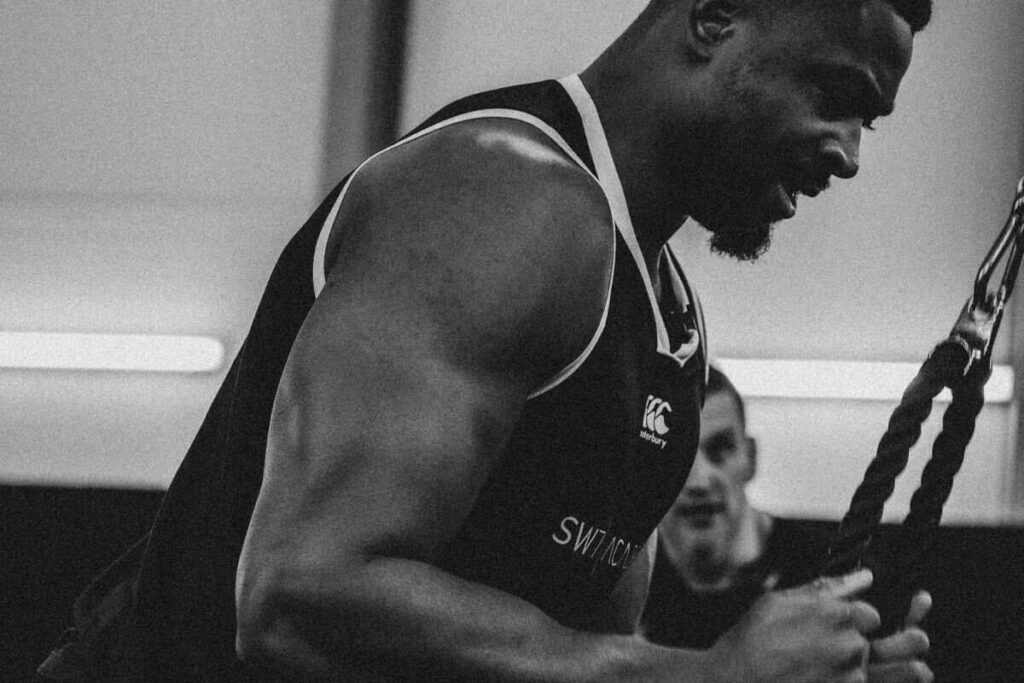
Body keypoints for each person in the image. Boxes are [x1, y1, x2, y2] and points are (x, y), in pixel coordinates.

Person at [39, 1, 936, 681]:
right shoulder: (507, 198)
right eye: (835, 95)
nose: (849, 152)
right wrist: (705, 676)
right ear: (713, 21)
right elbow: (300, 594)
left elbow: (584, 659)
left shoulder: (671, 325)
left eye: (870, 121)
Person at [642, 366, 933, 654]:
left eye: (720, 449)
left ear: (751, 457)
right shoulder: (616, 590)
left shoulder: (836, 574)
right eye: (675, 452)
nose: (699, 481)